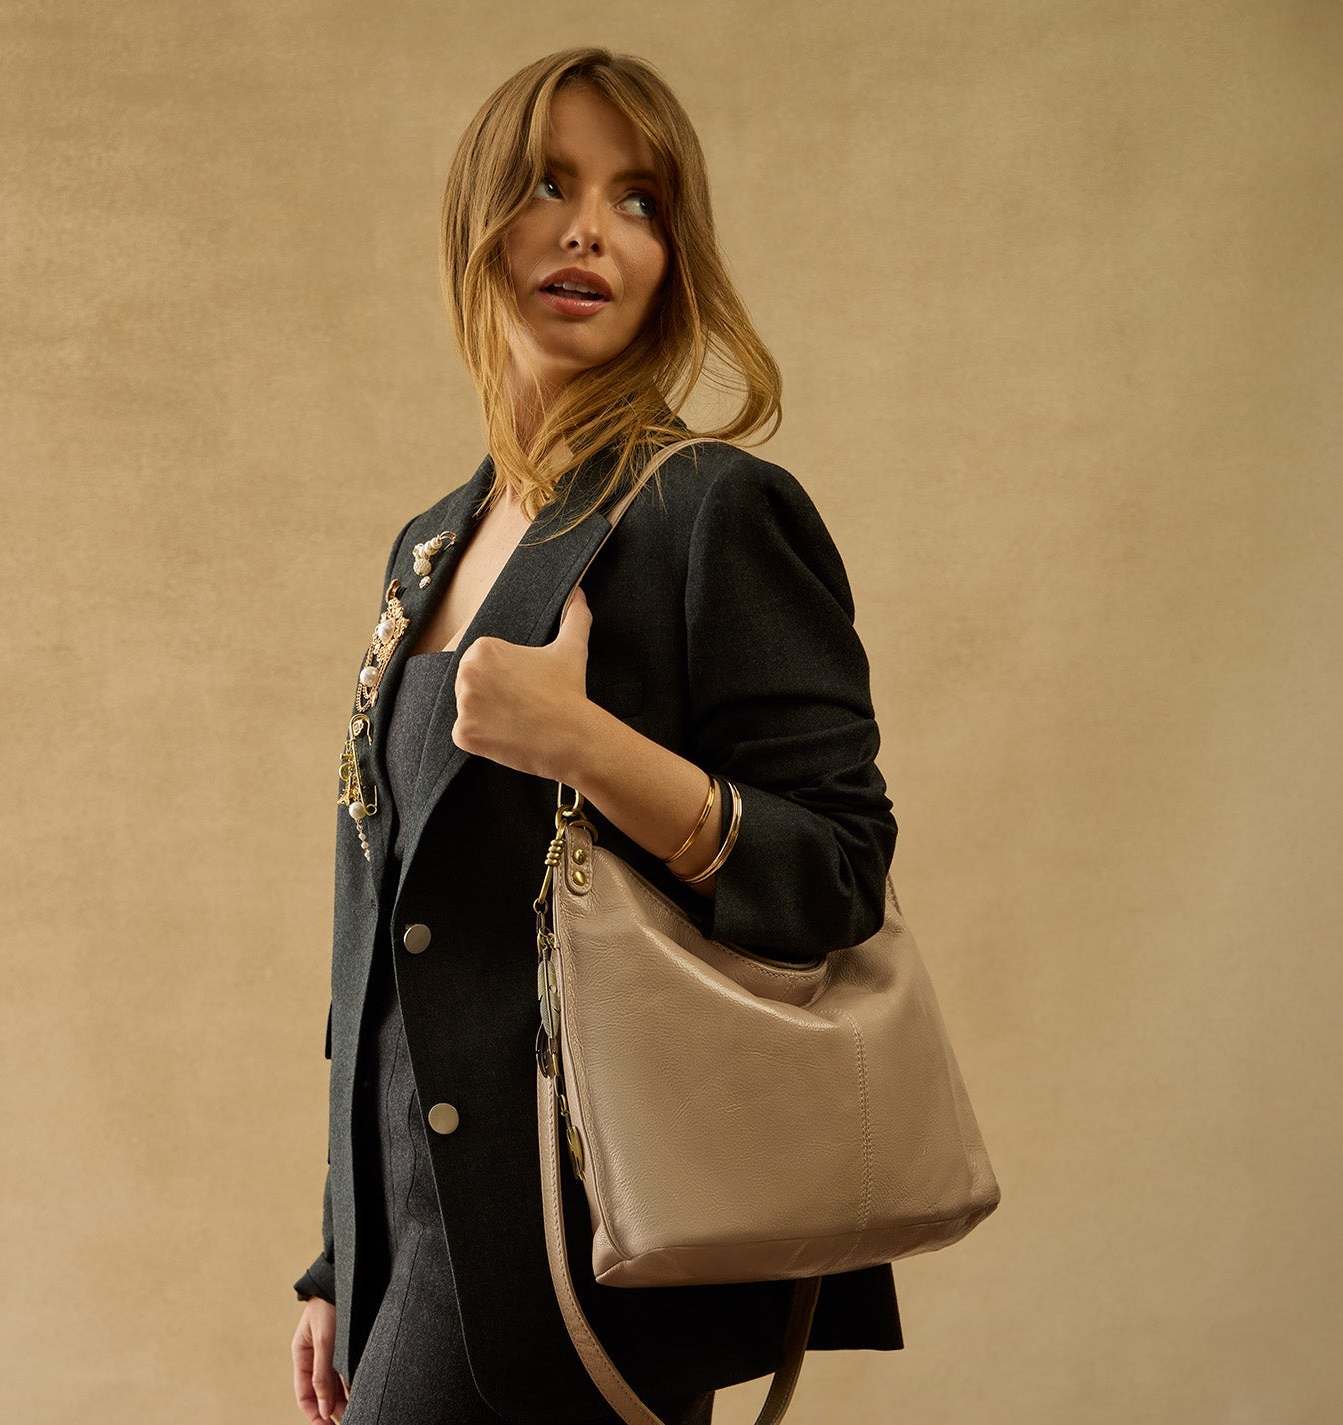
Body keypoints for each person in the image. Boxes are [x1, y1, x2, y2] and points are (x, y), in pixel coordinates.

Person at [290, 45, 903, 1425]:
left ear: (673, 256)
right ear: (476, 221)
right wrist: (340, 1251)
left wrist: (582, 745)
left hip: (576, 1248)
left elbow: (839, 866)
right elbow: (389, 937)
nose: (587, 229)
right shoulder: (429, 545)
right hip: (417, 1237)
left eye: (637, 200)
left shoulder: (710, 512)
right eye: (549, 185)